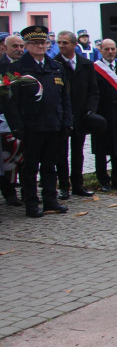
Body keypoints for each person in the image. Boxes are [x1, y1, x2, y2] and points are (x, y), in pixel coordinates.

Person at [4, 26, 73, 217]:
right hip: (31, 126)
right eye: (35, 43)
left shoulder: (56, 67)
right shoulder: (15, 69)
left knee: (50, 165)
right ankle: (32, 203)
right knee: (30, 167)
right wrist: (17, 126)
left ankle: (50, 200)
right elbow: (9, 102)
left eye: (43, 43)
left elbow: (65, 98)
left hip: (53, 124)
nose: (40, 46)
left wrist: (67, 122)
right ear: (26, 46)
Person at [54, 30, 99, 197]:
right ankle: (64, 187)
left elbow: (93, 90)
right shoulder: (55, 64)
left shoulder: (86, 64)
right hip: (63, 116)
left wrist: (90, 110)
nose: (61, 46)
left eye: (65, 43)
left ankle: (78, 185)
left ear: (74, 45)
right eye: (59, 42)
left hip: (81, 115)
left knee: (77, 152)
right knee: (61, 153)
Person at [92, 39, 117, 192]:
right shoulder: (95, 68)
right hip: (102, 114)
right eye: (106, 49)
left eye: (112, 49)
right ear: (100, 50)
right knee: (101, 150)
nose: (110, 52)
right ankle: (103, 180)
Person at [1, 34, 26, 206]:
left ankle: (26, 191)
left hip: (24, 119)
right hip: (4, 121)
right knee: (7, 159)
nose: (18, 49)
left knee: (24, 159)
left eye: (21, 46)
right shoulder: (2, 66)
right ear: (5, 47)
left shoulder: (25, 65)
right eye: (14, 46)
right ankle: (9, 192)